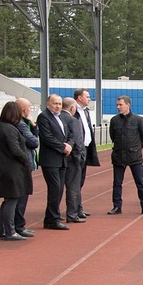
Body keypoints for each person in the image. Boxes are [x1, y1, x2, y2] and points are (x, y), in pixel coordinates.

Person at [0, 101, 34, 241]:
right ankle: (10, 231)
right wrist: (26, 160)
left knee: (8, 200)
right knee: (12, 200)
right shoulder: (9, 129)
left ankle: (0, 231)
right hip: (12, 169)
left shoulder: (0, 127)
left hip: (4, 168)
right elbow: (15, 150)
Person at [107, 95, 143, 216]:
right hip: (118, 156)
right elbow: (113, 136)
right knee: (117, 183)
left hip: (134, 156)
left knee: (140, 182)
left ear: (128, 105)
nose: (118, 107)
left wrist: (136, 149)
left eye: (120, 104)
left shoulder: (138, 120)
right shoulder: (114, 120)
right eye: (117, 105)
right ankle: (117, 206)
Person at [36, 93, 75, 230]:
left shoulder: (63, 117)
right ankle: (52, 219)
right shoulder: (43, 117)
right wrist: (63, 148)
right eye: (55, 103)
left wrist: (70, 144)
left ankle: (51, 217)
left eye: (59, 103)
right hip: (51, 160)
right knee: (54, 189)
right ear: (48, 104)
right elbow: (47, 137)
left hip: (62, 159)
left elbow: (70, 134)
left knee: (59, 190)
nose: (58, 106)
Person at [73, 87, 100, 217]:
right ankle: (75, 209)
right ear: (79, 98)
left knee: (81, 180)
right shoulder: (73, 111)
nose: (89, 99)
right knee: (75, 181)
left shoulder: (86, 111)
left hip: (86, 149)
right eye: (87, 97)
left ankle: (78, 207)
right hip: (77, 150)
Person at [62, 97, 87, 223]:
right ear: (72, 108)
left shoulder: (58, 118)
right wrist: (80, 158)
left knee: (57, 189)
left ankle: (55, 214)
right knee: (73, 187)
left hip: (59, 158)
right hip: (72, 159)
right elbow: (78, 141)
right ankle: (72, 214)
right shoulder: (73, 120)